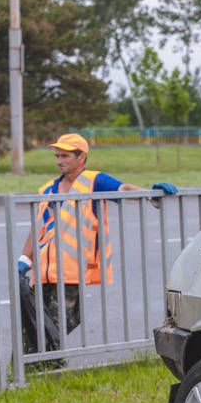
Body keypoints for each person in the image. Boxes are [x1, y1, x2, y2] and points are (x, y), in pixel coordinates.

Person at [17, 133, 177, 357]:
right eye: (57, 156)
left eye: (65, 156)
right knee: (36, 322)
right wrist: (25, 259)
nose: (59, 161)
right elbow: (38, 228)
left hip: (71, 270)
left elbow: (123, 189)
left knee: (57, 322)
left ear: (81, 156)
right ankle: (33, 365)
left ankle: (48, 363)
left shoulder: (94, 181)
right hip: (43, 270)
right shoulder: (47, 190)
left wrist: (151, 194)